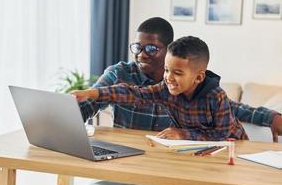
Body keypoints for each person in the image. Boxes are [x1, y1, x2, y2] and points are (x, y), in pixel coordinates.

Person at [79, 17, 282, 141]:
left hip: (175, 160)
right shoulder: (125, 75)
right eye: (137, 47)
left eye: (151, 48)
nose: (141, 54)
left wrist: (271, 117)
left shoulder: (204, 92)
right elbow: (125, 93)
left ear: (167, 50)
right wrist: (87, 97)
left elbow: (232, 111)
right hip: (128, 160)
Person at [73, 36, 249, 140]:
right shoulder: (166, 90)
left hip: (235, 146)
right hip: (200, 149)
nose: (169, 78)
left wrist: (183, 134)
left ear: (199, 77)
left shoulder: (216, 96)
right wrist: (92, 93)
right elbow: (134, 93)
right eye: (166, 70)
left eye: (178, 73)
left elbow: (221, 137)